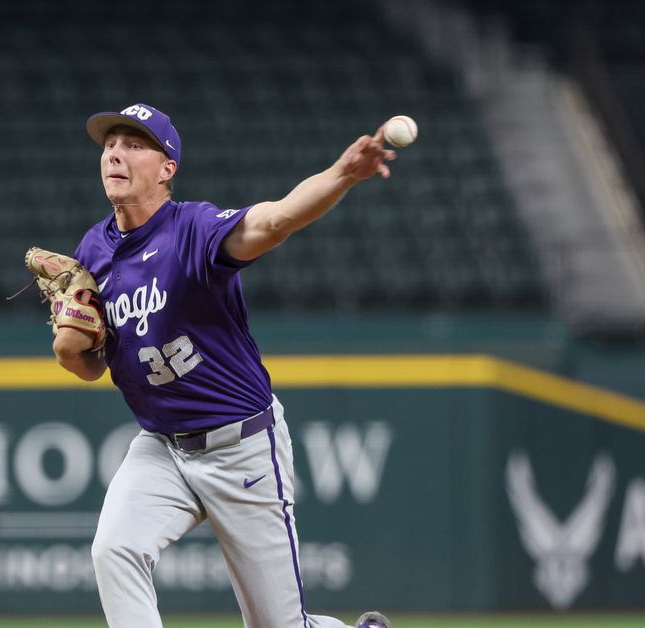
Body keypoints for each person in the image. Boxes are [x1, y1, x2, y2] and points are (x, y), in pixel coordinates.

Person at [51, 103, 394, 628]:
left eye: (134, 144)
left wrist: (342, 173)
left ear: (167, 169)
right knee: (114, 550)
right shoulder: (93, 249)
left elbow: (275, 220)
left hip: (242, 447)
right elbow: (93, 367)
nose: (115, 153)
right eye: (109, 144)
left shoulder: (193, 229)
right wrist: (69, 352)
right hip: (162, 448)